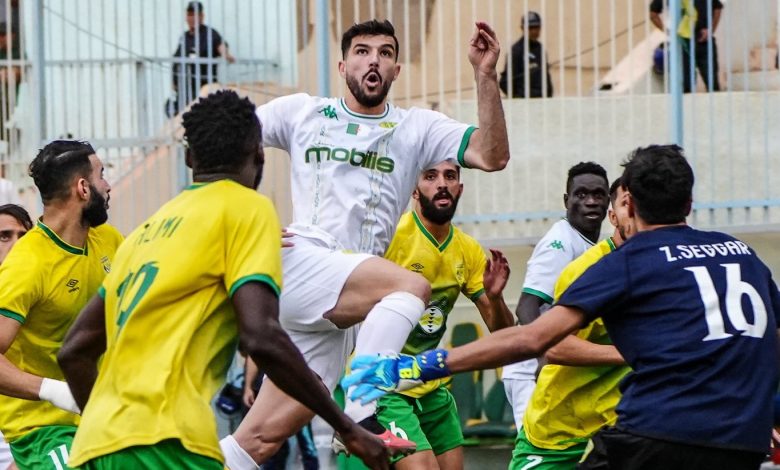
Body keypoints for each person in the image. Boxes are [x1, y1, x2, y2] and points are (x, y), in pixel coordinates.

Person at [346, 144, 779, 470]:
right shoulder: (743, 254)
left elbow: (534, 337)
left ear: (626, 204)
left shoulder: (628, 261)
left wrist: (420, 365)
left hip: (657, 435)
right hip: (742, 439)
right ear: (689, 203)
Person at [219, 18, 510, 470]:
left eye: (385, 53)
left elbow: (493, 155)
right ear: (342, 66)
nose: (373, 60)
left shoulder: (416, 127)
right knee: (411, 287)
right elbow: (224, 142)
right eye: (362, 51)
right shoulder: (303, 112)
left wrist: (485, 74)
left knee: (256, 441)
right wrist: (247, 218)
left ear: (396, 70)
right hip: (304, 262)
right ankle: (363, 402)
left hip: (341, 310)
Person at [57, 90, 388, 470]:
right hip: (168, 444)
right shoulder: (246, 208)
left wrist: (107, 428)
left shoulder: (144, 233)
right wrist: (346, 426)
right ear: (259, 154)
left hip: (94, 447)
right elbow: (260, 336)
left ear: (188, 158)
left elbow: (74, 351)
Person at [371, 161, 514, 469]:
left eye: (450, 176)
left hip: (430, 384)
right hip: (384, 384)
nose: (442, 184)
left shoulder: (468, 250)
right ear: (413, 190)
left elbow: (504, 332)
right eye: (430, 176)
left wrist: (495, 297)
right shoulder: (390, 237)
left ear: (459, 189)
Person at [0, 140, 121, 470]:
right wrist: (55, 391)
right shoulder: (27, 265)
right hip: (43, 429)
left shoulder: (109, 241)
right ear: (83, 188)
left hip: (104, 417)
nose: (108, 185)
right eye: (101, 175)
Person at [510, 178, 632, 470]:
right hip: (558, 428)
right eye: (627, 204)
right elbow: (535, 319)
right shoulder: (574, 256)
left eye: (597, 194)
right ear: (613, 216)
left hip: (615, 426)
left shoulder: (658, 266)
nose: (591, 202)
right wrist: (633, 354)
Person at [502, 162, 609, 431]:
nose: (591, 202)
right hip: (530, 370)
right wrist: (543, 357)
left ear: (608, 201)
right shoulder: (559, 243)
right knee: (534, 446)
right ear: (566, 200)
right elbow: (527, 306)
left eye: (598, 195)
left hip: (555, 365)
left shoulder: (588, 244)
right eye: (581, 194)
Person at [0, 203, 30, 470]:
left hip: (28, 439)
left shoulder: (40, 293)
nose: (16, 244)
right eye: (4, 236)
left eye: (24, 236)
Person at [171, 1, 235, 112]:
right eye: (189, 15)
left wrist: (226, 55)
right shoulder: (184, 37)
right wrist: (174, 81)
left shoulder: (210, 34)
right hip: (185, 89)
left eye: (194, 15)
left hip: (204, 88)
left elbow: (221, 46)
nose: (192, 18)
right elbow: (176, 59)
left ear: (201, 16)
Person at [650, 0, 724, 92]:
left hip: (703, 42)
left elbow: (717, 8)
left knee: (712, 83)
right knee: (687, 85)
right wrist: (668, 32)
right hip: (683, 44)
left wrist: (711, 30)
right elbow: (653, 14)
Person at [499, 11, 553, 98]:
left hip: (543, 100)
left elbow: (546, 78)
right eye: (530, 28)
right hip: (524, 102)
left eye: (536, 27)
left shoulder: (540, 49)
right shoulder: (516, 50)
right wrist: (519, 97)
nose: (534, 31)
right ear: (523, 28)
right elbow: (505, 82)